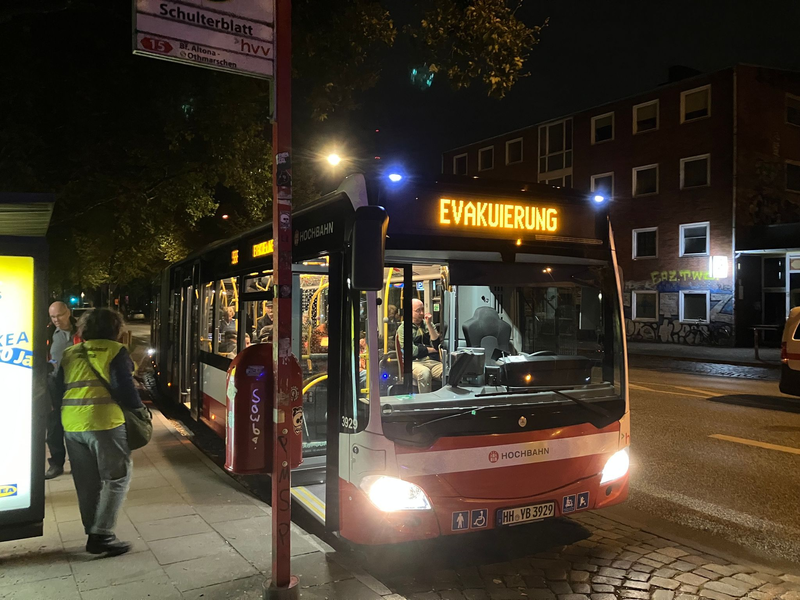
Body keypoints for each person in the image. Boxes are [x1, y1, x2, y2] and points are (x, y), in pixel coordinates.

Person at [54, 308, 143, 556]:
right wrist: (140, 411)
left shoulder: (70, 353)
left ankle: (93, 530)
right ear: (116, 329)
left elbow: (57, 387)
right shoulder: (116, 351)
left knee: (86, 483)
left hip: (71, 423)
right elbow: (124, 388)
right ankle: (102, 534)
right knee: (116, 478)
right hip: (104, 423)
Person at [45, 301, 81, 479]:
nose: (56, 320)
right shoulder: (48, 333)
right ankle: (56, 463)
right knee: (54, 426)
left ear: (68, 313)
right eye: (52, 316)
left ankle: (79, 463)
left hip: (77, 384)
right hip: (54, 386)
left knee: (76, 426)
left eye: (59, 315)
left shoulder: (82, 331)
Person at [397, 298, 442, 393]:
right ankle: (426, 403)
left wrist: (429, 325)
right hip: (414, 363)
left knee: (448, 371)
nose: (422, 313)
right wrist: (429, 349)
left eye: (422, 310)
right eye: (418, 310)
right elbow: (411, 351)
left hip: (433, 362)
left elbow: (436, 344)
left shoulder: (428, 324)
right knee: (424, 373)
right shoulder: (403, 329)